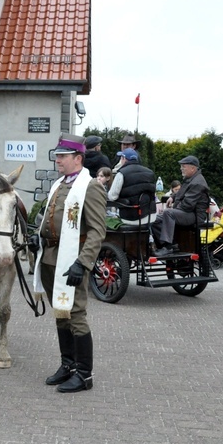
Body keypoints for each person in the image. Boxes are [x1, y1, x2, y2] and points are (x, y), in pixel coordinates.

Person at [28, 133, 106, 394]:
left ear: (78, 158)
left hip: (72, 258)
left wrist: (83, 263)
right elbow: (47, 218)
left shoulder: (90, 186)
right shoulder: (59, 184)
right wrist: (36, 236)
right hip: (51, 257)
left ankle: (84, 375)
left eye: (62, 156)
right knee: (61, 313)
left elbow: (97, 230)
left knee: (76, 314)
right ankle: (68, 365)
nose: (57, 160)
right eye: (57, 155)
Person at [150, 155, 210, 257]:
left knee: (168, 213)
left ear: (193, 168)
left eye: (183, 166)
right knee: (154, 219)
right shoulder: (191, 178)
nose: (181, 168)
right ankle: (170, 244)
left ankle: (168, 247)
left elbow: (187, 205)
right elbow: (182, 192)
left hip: (194, 216)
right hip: (187, 213)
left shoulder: (198, 183)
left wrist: (173, 208)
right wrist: (172, 197)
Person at [106, 147, 157, 225]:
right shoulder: (150, 172)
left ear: (123, 159)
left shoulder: (121, 173)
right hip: (151, 216)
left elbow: (112, 197)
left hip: (130, 218)